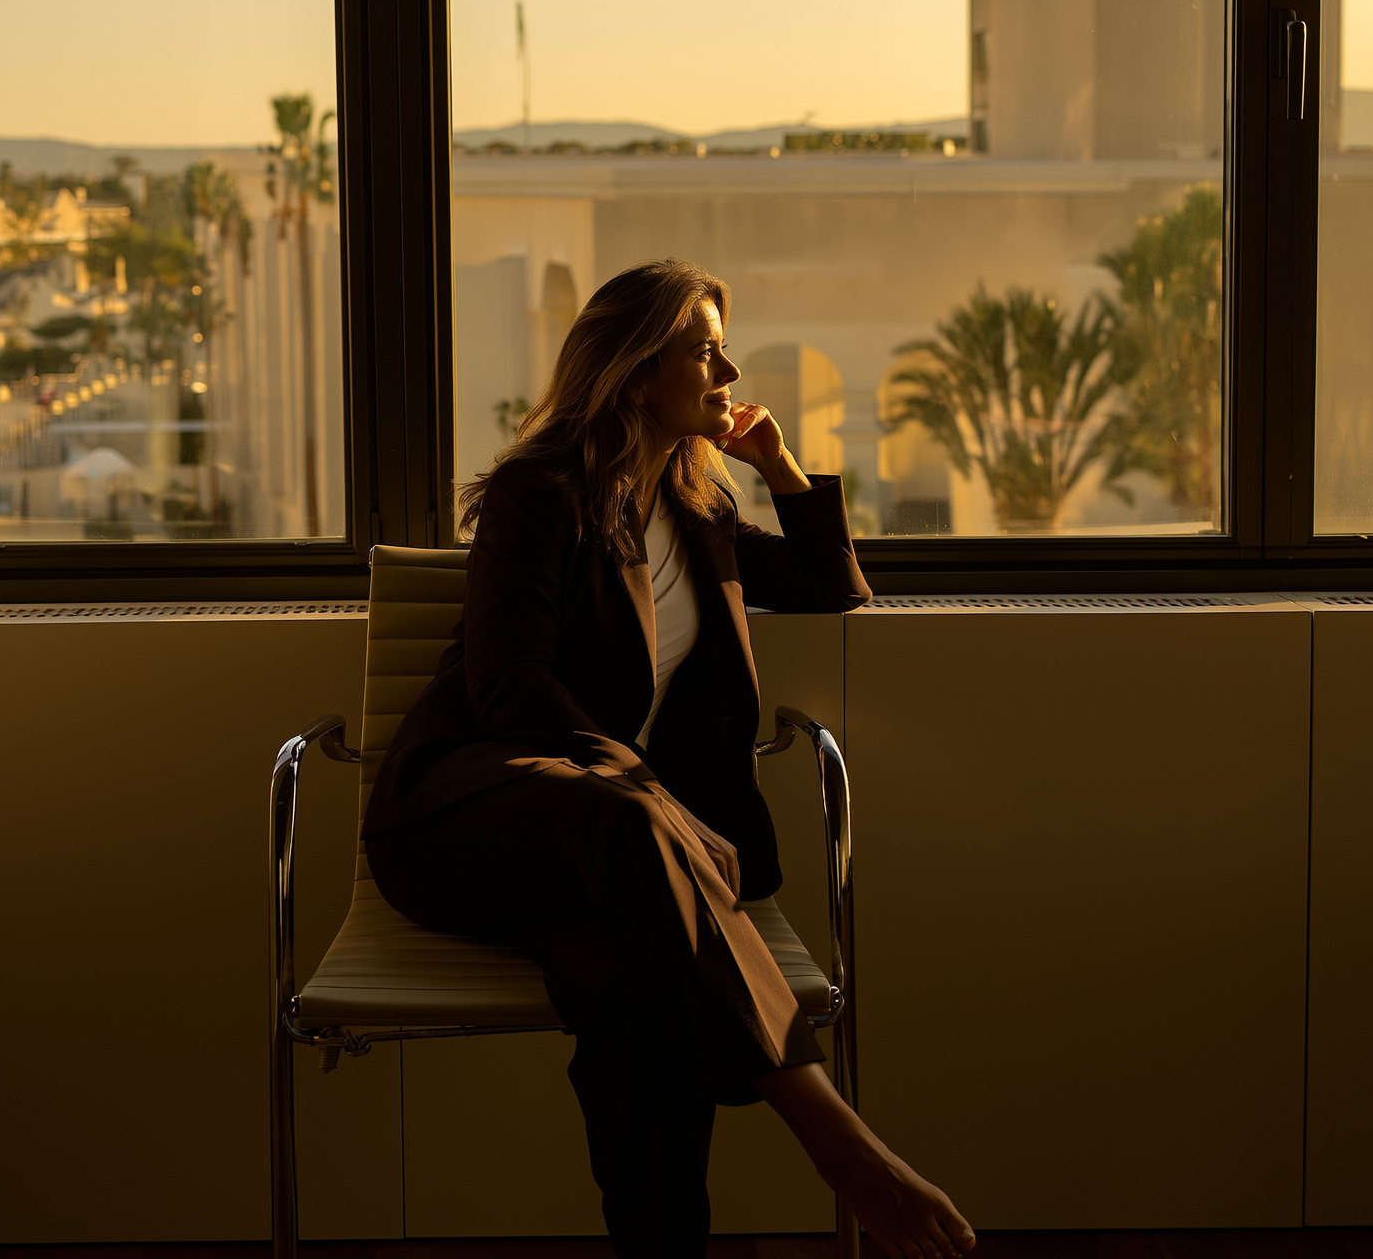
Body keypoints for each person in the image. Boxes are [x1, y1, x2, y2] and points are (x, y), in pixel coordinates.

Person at [362, 259, 976, 1259]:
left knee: (634, 994)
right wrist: (657, 807)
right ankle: (840, 1143)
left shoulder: (701, 512)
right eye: (703, 351)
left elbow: (833, 586)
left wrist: (780, 468)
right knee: (630, 819)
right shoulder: (540, 495)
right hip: (467, 825)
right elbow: (508, 695)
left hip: (623, 860)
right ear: (636, 368)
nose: (728, 371)